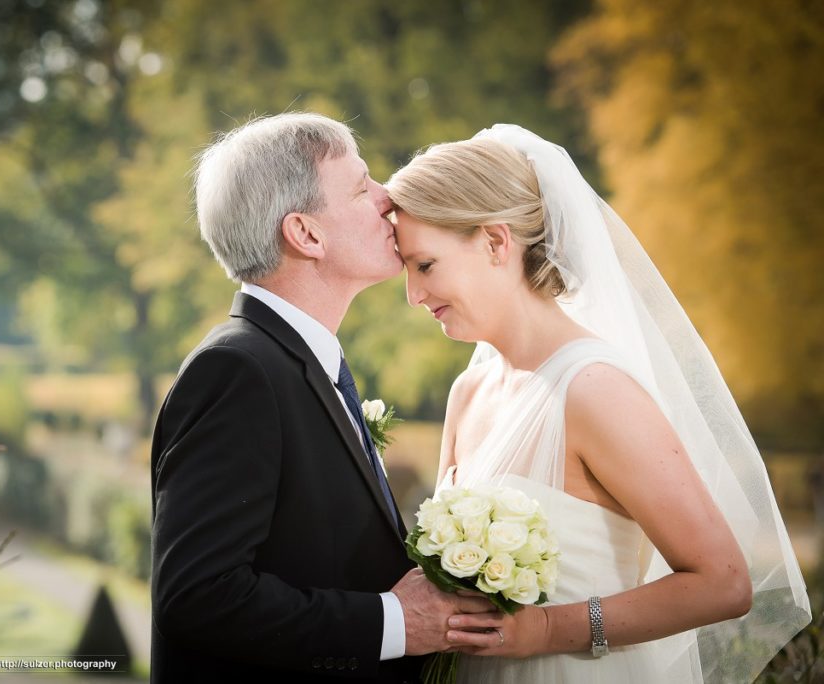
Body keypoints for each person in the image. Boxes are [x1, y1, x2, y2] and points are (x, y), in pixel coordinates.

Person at [386, 125, 811, 683]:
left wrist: (543, 630)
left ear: (495, 242)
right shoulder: (468, 394)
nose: (414, 296)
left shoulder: (595, 391)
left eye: (425, 266)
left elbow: (724, 582)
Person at [149, 112, 497, 683]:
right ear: (306, 234)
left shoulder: (296, 361)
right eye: (362, 187)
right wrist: (396, 623)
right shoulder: (236, 371)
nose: (390, 198)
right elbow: (197, 595)